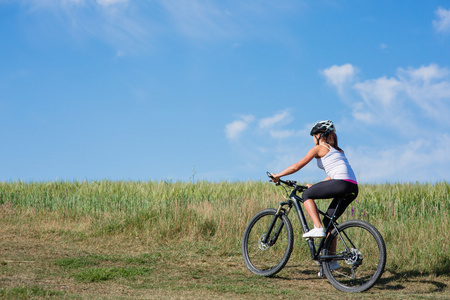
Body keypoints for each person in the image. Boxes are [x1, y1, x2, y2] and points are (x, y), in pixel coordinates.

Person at [271, 120, 358, 269]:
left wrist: (278, 175)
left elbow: (297, 166)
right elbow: (333, 175)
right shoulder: (338, 151)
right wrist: (317, 186)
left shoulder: (319, 148)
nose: (313, 138)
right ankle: (332, 261)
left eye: (313, 135)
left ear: (319, 135)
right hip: (352, 187)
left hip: (341, 183)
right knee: (329, 223)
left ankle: (317, 227)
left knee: (306, 196)